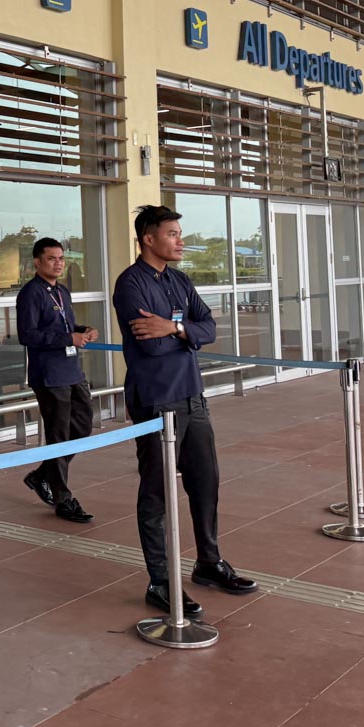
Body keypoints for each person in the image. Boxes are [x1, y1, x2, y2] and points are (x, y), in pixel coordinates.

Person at [114, 205, 256, 617]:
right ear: (148, 239)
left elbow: (209, 327)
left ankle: (209, 563)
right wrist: (183, 335)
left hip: (194, 397)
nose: (180, 240)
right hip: (158, 401)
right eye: (172, 234)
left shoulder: (179, 279)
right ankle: (159, 581)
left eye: (180, 233)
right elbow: (150, 345)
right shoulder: (130, 285)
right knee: (157, 494)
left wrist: (175, 328)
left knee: (206, 483)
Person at [15, 237, 96, 523]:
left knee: (83, 425)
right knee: (58, 436)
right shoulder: (31, 294)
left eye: (61, 258)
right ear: (37, 262)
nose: (58, 263)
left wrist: (81, 330)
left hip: (72, 370)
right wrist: (67, 337)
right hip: (49, 375)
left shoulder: (62, 291)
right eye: (52, 258)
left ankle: (41, 476)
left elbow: (62, 324)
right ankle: (63, 498)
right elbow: (29, 335)